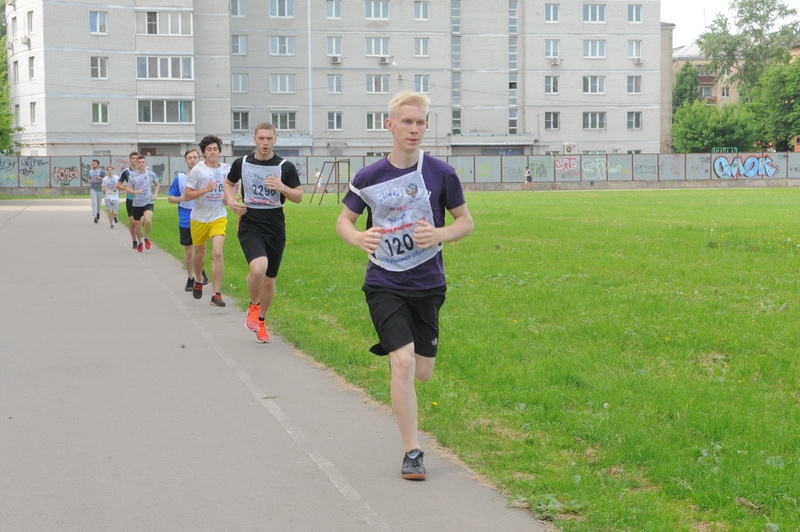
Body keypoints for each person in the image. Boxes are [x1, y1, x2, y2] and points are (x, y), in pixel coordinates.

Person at [335, 91, 474, 480]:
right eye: (407, 122)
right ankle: (412, 451)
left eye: (420, 122)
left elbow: (466, 222)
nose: (414, 129)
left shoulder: (441, 173)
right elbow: (344, 221)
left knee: (422, 372)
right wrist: (358, 239)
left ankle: (403, 378)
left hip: (427, 282)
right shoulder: (369, 176)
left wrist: (441, 233)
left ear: (427, 127)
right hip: (384, 281)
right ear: (390, 125)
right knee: (403, 362)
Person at [224, 122, 303, 343]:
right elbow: (228, 184)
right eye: (261, 138)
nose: (265, 143)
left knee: (269, 280)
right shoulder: (242, 163)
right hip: (250, 222)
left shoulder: (285, 167)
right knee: (258, 269)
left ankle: (261, 321)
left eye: (269, 138)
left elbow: (298, 196)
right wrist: (231, 202)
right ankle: (253, 306)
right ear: (255, 139)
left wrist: (283, 188)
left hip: (275, 226)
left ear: (275, 140)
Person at [185, 135, 230, 307]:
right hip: (199, 217)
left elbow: (231, 187)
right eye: (209, 149)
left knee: (218, 252)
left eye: (215, 149)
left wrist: (228, 198)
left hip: (218, 215)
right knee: (200, 254)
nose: (212, 152)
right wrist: (205, 189)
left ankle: (216, 293)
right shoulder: (198, 170)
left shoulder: (226, 169)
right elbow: (188, 194)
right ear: (204, 152)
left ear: (219, 151)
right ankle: (198, 279)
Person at [168, 149, 209, 292]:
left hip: (202, 217)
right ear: (185, 160)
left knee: (200, 251)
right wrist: (183, 198)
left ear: (200, 159)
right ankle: (191, 277)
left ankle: (199, 270)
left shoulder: (206, 177)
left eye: (195, 157)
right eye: (190, 158)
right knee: (189, 251)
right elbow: (170, 198)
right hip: (186, 217)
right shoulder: (180, 178)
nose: (193, 160)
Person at [120, 155, 160, 252]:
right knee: (137, 225)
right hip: (137, 203)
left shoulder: (151, 174)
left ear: (145, 163)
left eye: (143, 162)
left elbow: (157, 184)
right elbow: (128, 189)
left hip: (148, 201)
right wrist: (135, 192)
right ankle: (140, 242)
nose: (141, 164)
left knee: (148, 220)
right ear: (137, 164)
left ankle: (146, 238)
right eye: (139, 162)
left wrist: (155, 194)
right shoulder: (133, 176)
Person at [116, 152, 140, 250]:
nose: (135, 160)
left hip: (141, 200)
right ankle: (134, 241)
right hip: (130, 199)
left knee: (140, 222)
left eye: (136, 158)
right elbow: (118, 185)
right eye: (133, 158)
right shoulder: (126, 172)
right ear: (130, 159)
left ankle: (139, 235)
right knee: (133, 222)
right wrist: (126, 188)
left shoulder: (144, 170)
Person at [88, 159, 106, 223]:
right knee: (94, 202)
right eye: (93, 163)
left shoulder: (102, 171)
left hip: (100, 189)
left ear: (98, 164)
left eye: (95, 163)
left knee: (98, 204)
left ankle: (98, 212)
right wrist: (89, 181)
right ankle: (95, 216)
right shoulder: (90, 171)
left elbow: (106, 179)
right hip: (93, 188)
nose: (93, 165)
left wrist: (100, 178)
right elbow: (89, 179)